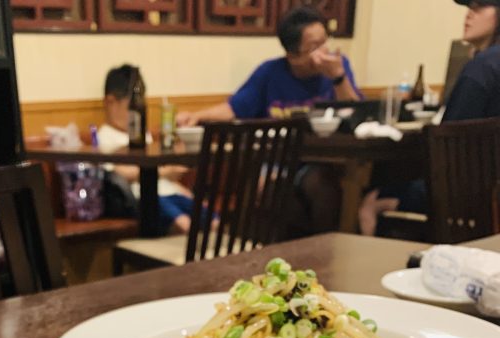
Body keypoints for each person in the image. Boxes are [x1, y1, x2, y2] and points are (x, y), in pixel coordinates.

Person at [359, 0, 500, 235]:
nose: (469, 14)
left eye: (479, 7)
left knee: (370, 200)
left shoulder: (482, 68)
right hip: (489, 196)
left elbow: (449, 147)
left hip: (471, 199)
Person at [176, 6, 362, 126]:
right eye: (315, 47)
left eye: (325, 42)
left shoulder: (339, 67)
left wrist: (339, 78)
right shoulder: (270, 72)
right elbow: (235, 108)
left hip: (328, 159)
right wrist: (196, 116)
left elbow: (357, 118)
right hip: (281, 158)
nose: (325, 51)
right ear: (292, 56)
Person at [98, 64, 194, 234]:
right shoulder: (104, 137)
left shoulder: (142, 134)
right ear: (110, 101)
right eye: (133, 105)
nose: (138, 110)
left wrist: (177, 173)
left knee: (213, 221)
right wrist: (165, 171)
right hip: (145, 199)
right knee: (186, 225)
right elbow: (118, 174)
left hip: (170, 192)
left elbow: (169, 177)